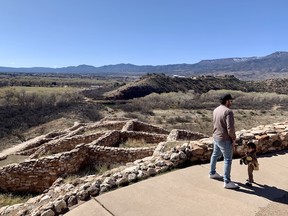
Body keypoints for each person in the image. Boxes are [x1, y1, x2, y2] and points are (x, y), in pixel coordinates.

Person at [209, 93, 239, 189]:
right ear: (227, 101)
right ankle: (227, 181)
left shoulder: (216, 109)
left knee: (215, 154)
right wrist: (233, 138)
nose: (231, 103)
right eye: (231, 101)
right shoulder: (228, 112)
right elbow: (230, 128)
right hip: (225, 139)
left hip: (216, 136)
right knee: (228, 159)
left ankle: (212, 173)